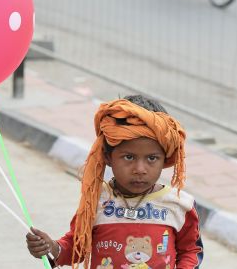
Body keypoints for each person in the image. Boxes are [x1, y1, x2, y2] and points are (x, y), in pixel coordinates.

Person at [26, 95, 203, 268]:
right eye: (128, 157)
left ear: (164, 159)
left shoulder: (179, 205)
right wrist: (52, 248)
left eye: (151, 158)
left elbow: (190, 251)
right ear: (108, 156)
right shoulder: (95, 200)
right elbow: (76, 246)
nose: (140, 169)